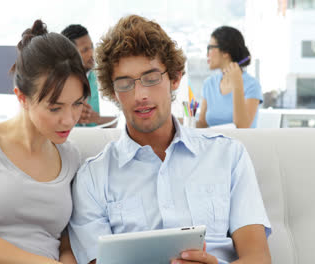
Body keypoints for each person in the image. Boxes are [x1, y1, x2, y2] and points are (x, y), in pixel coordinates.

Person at [68, 15, 272, 264]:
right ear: (113, 92)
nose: (140, 95)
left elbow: (258, 258)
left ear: (174, 78)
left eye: (151, 78)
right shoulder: (92, 178)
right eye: (125, 83)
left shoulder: (228, 155)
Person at [0, 19, 90, 264]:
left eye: (77, 104)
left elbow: (68, 244)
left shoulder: (71, 157)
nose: (69, 120)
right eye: (55, 108)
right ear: (22, 98)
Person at [197, 26, 263, 128]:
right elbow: (202, 124)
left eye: (210, 48)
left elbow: (242, 126)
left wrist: (237, 84)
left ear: (225, 52)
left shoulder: (252, 85)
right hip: (212, 143)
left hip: (241, 143)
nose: (207, 54)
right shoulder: (209, 84)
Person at [61, 24, 117, 127]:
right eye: (85, 50)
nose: (92, 53)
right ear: (69, 55)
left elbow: (115, 122)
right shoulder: (57, 83)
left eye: (92, 46)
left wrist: (96, 118)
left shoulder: (102, 77)